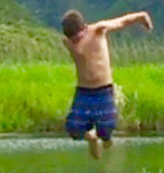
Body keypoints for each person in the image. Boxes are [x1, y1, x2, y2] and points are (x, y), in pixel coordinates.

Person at [61, 9, 154, 159]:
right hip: (84, 90)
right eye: (73, 40)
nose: (75, 42)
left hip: (103, 88)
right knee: (73, 126)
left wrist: (141, 17)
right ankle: (91, 138)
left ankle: (106, 139)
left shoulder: (98, 30)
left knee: (106, 126)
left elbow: (121, 21)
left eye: (78, 38)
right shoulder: (67, 42)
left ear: (84, 28)